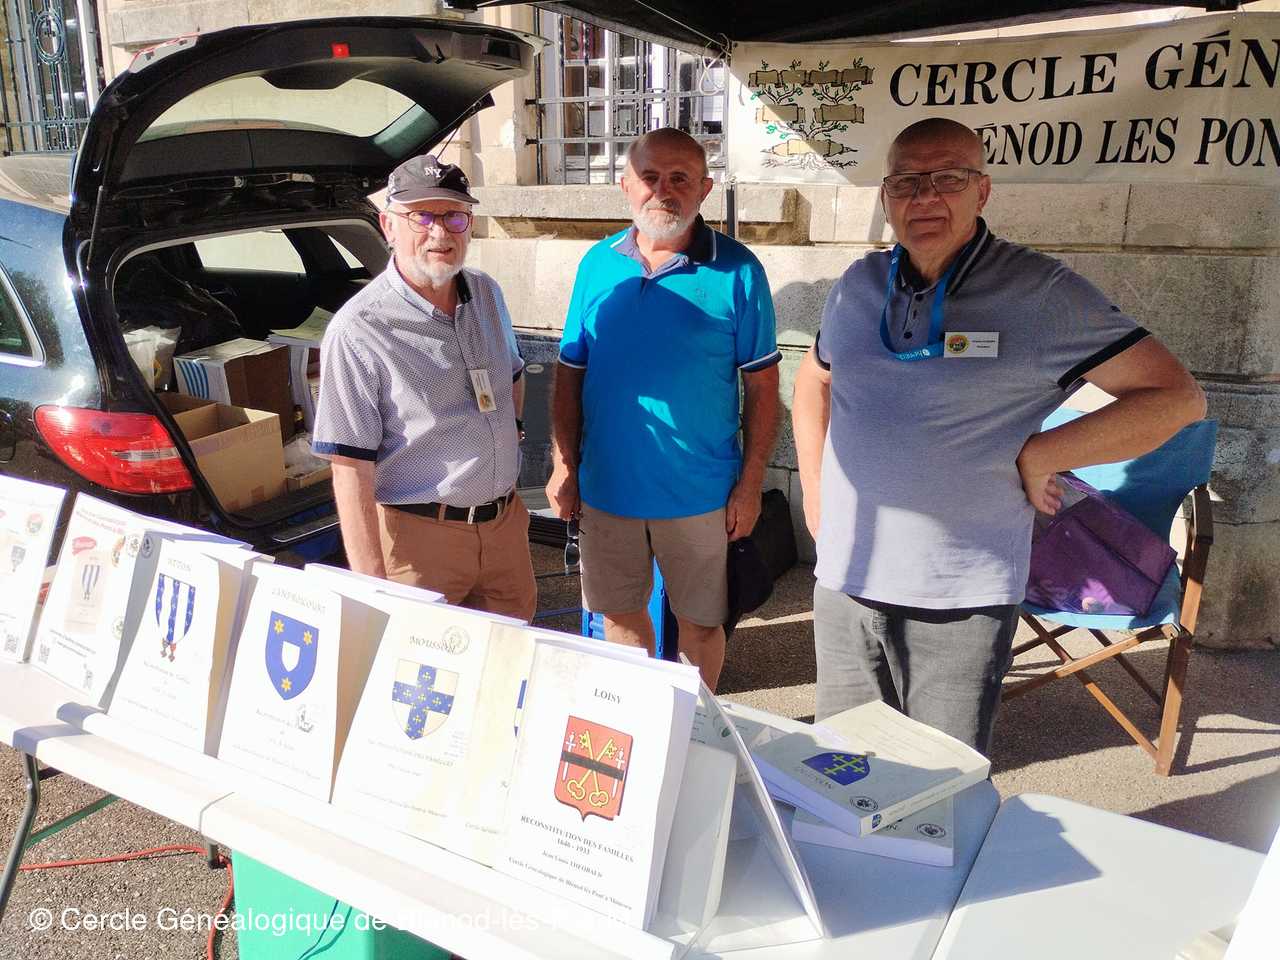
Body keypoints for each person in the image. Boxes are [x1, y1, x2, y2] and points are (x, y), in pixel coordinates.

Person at [792, 118, 1205, 752]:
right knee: (842, 769)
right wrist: (816, 496)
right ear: (885, 195)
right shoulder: (858, 284)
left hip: (959, 593)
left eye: (947, 178)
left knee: (938, 781)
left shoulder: (1042, 291)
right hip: (844, 583)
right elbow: (813, 380)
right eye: (906, 182)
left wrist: (1044, 452)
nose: (924, 197)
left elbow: (1176, 398)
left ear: (982, 190)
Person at [545, 128, 782, 690]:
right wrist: (564, 465)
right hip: (607, 491)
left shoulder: (739, 270)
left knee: (700, 623)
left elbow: (764, 389)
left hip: (700, 494)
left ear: (705, 188)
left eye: (680, 178)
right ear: (625, 184)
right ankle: (640, 721)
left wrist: (751, 485)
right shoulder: (597, 264)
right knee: (620, 617)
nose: (663, 190)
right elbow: (570, 373)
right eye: (649, 177)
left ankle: (695, 724)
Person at [313, 154, 535, 620]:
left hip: (504, 531)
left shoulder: (487, 293)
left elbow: (512, 375)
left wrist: (507, 437)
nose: (440, 233)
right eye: (422, 217)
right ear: (388, 226)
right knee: (419, 664)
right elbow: (349, 467)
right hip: (418, 546)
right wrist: (371, 586)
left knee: (510, 658)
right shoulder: (360, 329)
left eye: (454, 216)